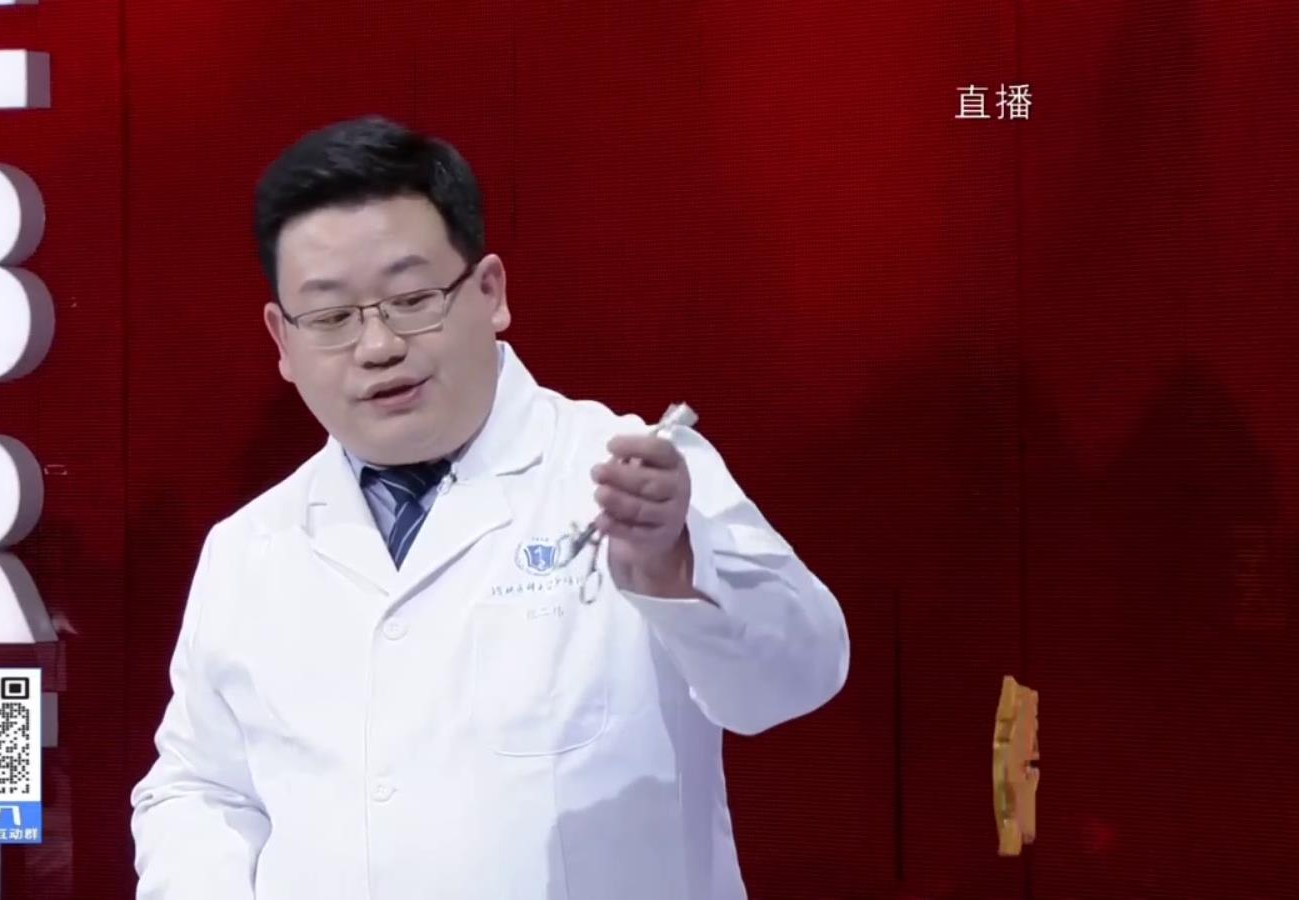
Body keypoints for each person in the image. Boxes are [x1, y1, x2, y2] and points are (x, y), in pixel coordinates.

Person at [130, 115, 850, 900]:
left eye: (412, 299)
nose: (377, 346)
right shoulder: (249, 548)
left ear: (490, 292)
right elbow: (202, 788)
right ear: (282, 339)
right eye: (332, 318)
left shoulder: (633, 473)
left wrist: (673, 569)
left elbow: (796, 678)